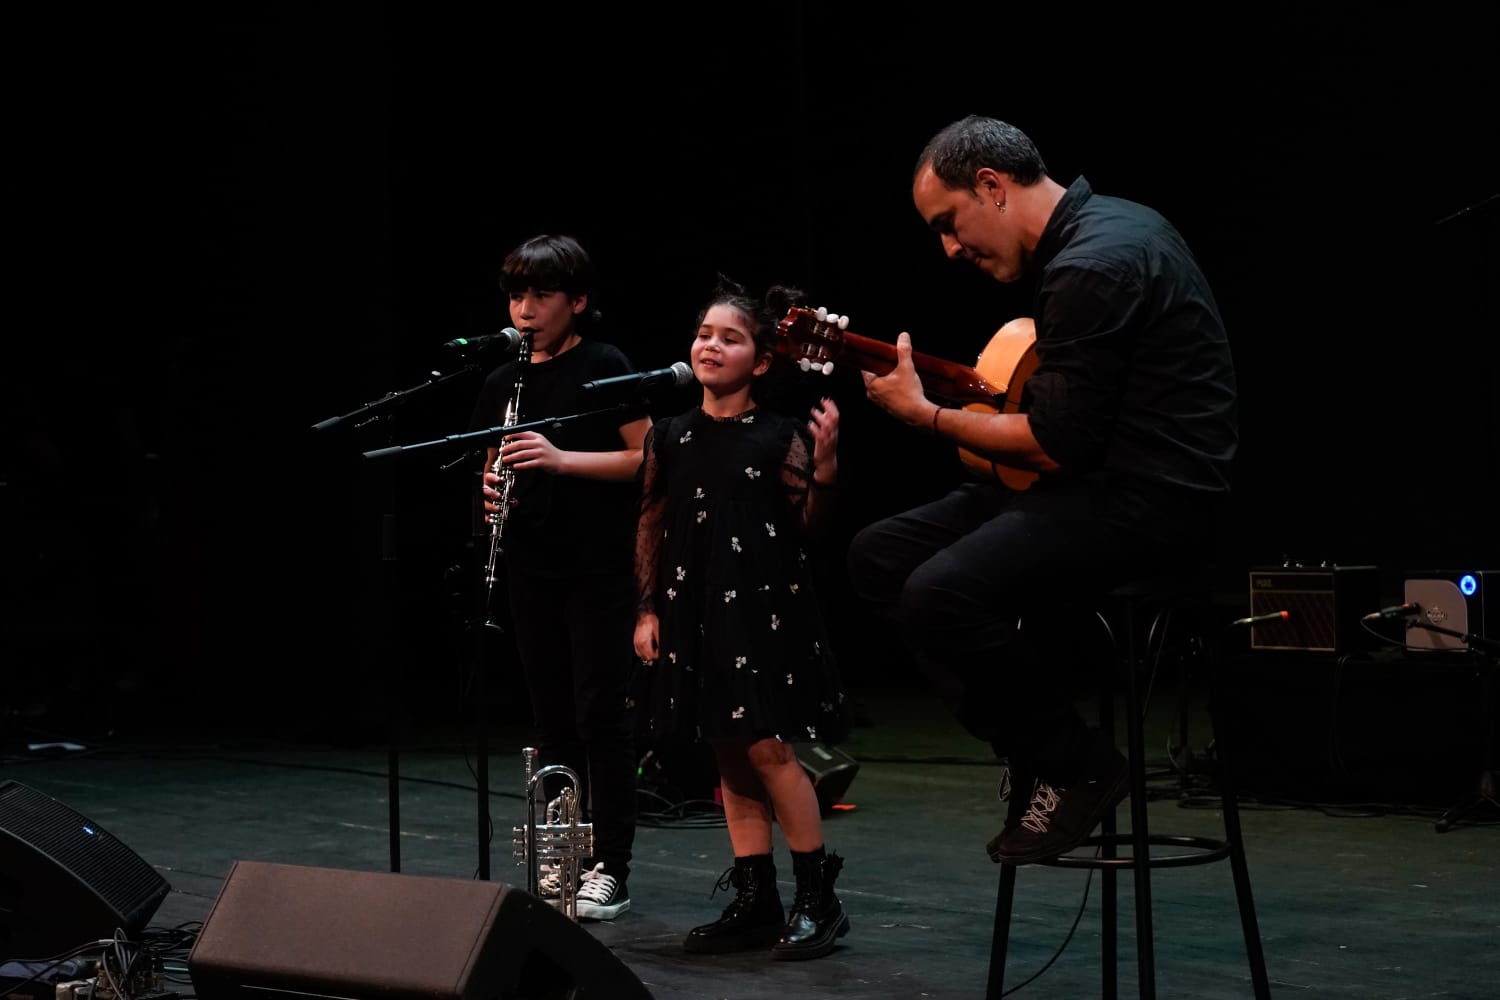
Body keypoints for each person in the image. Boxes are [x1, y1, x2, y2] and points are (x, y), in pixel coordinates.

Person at [848, 115, 1238, 866]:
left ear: (991, 186)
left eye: (948, 223)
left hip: (1156, 501)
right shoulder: (1113, 224)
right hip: (1091, 480)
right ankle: (1035, 746)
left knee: (939, 593)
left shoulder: (1091, 265)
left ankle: (1075, 766)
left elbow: (1055, 441)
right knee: (880, 555)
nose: (949, 249)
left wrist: (926, 416)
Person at [632, 276, 852, 960]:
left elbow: (809, 526)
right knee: (726, 747)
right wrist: (647, 608)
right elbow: (652, 522)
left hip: (763, 609)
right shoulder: (669, 435)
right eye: (704, 334)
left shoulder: (779, 435)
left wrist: (826, 468)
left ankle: (819, 897)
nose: (710, 346)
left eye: (730, 338)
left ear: (760, 362)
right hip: (694, 606)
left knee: (766, 748)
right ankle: (757, 898)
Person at [469, 233, 648, 919]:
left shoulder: (605, 365)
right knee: (551, 718)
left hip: (597, 564)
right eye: (517, 295)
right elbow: (491, 463)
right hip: (531, 562)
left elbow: (647, 458)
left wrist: (561, 459)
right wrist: (491, 492)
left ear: (577, 301)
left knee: (600, 712)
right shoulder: (501, 380)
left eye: (542, 295)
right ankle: (562, 857)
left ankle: (612, 867)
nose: (525, 309)